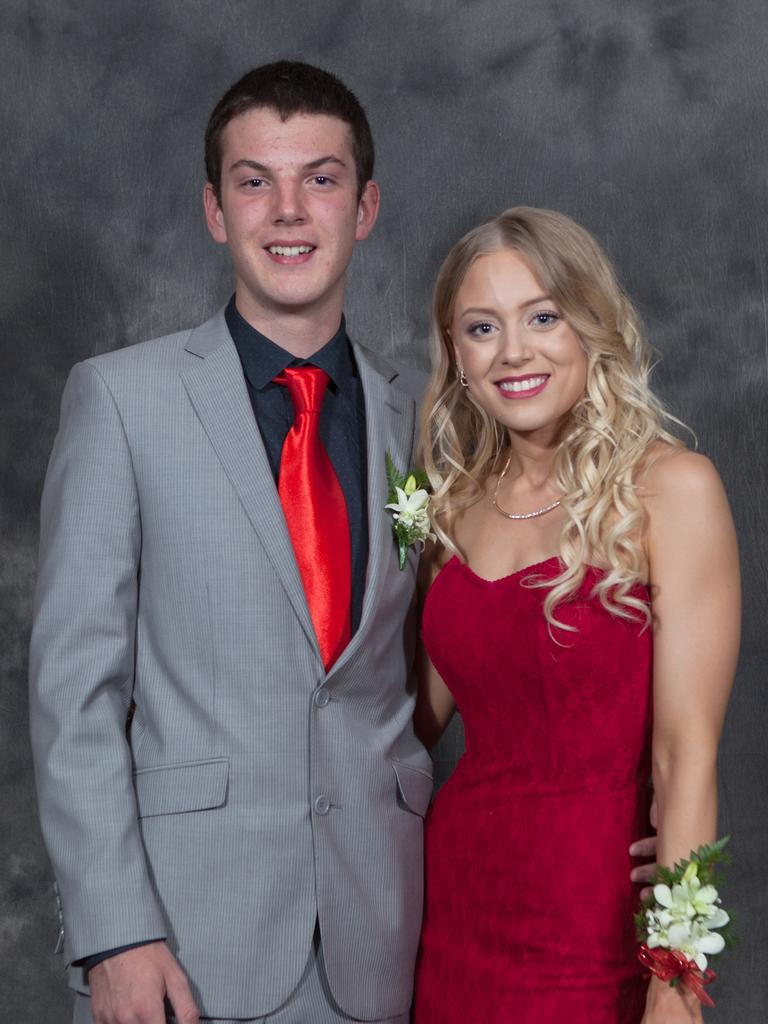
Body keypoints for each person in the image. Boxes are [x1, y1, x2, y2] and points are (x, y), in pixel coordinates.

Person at [28, 61, 434, 1024]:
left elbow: (433, 661)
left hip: (382, 940)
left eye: (320, 179)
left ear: (365, 206)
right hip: (183, 949)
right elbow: (73, 693)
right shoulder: (122, 400)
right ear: (216, 211)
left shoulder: (418, 417)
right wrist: (116, 932)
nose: (288, 211)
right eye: (255, 181)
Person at [411, 208, 739, 1023]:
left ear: (590, 325)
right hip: (452, 922)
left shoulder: (673, 489)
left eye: (543, 317)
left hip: (593, 935)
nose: (514, 352)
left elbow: (686, 757)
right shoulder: (447, 510)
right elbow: (406, 721)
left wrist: (676, 980)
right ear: (457, 355)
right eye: (482, 327)